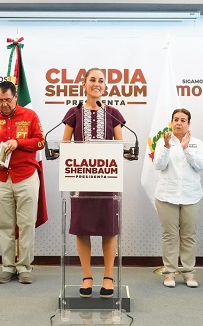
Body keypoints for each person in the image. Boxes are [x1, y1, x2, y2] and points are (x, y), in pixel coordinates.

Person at [61, 68, 125, 298]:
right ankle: (87, 276)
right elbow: (65, 144)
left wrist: (124, 153)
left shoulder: (114, 113)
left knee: (109, 229)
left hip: (107, 181)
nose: (96, 84)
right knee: (82, 229)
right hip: (80, 180)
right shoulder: (74, 112)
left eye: (101, 81)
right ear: (84, 84)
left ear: (105, 87)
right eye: (92, 80)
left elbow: (120, 145)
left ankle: (108, 277)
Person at [0, 81, 45, 284]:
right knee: (4, 224)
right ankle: (8, 266)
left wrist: (18, 143)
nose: (4, 104)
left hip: (25, 175)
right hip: (0, 177)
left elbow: (40, 141)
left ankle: (25, 267)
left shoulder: (30, 116)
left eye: (7, 100)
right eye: (0, 100)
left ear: (16, 97)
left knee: (26, 224)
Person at [153, 108, 203, 289]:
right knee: (169, 236)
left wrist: (186, 150)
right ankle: (169, 273)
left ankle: (188, 273)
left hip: (191, 195)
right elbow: (158, 165)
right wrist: (167, 148)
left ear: (188, 124)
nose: (178, 123)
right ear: (171, 122)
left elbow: (201, 165)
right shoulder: (164, 141)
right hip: (167, 195)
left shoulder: (197, 143)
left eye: (183, 120)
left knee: (188, 235)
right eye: (175, 119)